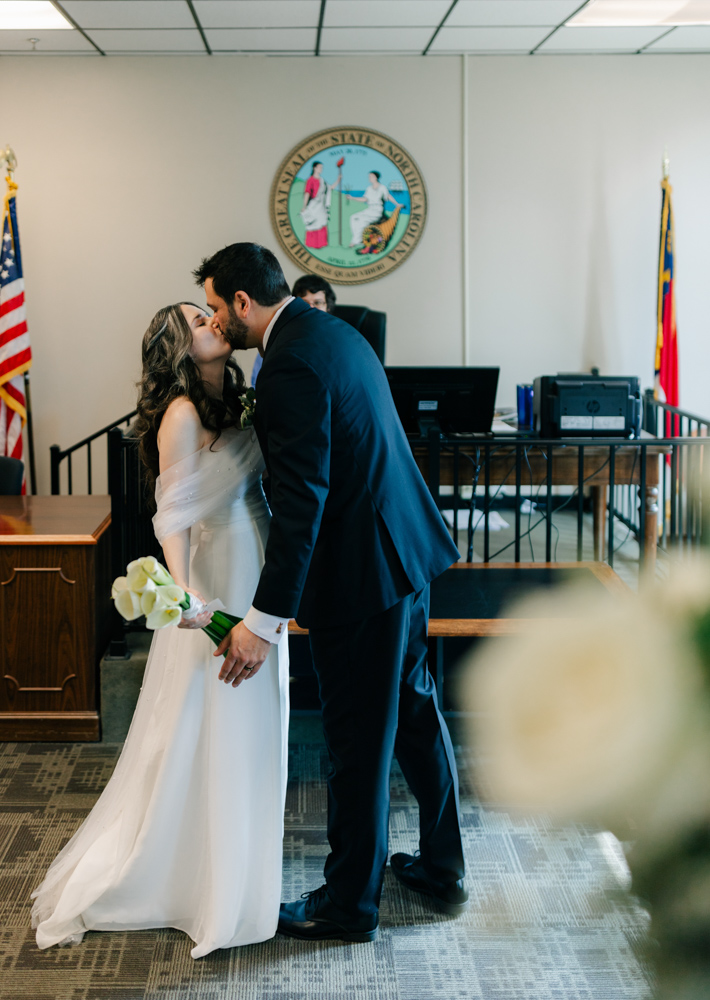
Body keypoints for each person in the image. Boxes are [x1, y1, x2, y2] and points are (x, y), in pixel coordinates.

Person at [194, 243, 467, 944]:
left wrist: (263, 621)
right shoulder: (332, 333)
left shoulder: (288, 365)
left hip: (361, 576)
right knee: (415, 713)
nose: (215, 319)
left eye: (217, 306)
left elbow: (301, 503)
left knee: (356, 742)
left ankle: (348, 905)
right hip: (402, 554)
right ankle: (443, 869)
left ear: (244, 302)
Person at [31, 302, 289, 959]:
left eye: (210, 313)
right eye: (198, 321)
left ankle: (236, 873)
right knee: (213, 723)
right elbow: (171, 516)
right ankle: (195, 883)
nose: (213, 322)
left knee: (252, 723)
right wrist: (190, 600)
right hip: (218, 574)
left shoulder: (235, 401)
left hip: (257, 564)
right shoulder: (180, 413)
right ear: (179, 349)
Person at [251, 273, 335, 386]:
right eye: (304, 303)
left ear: (328, 307)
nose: (311, 308)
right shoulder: (277, 341)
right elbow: (257, 386)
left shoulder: (337, 343)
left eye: (317, 303)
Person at [348, 171, 402, 247]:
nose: (369, 178)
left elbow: (388, 196)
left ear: (375, 177)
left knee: (362, 221)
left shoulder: (382, 187)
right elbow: (365, 199)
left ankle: (356, 241)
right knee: (353, 217)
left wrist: (397, 204)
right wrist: (352, 198)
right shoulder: (369, 188)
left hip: (377, 211)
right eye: (369, 177)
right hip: (370, 209)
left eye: (371, 176)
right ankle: (358, 239)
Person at [300, 161, 341, 249]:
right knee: (312, 224)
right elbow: (307, 193)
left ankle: (321, 244)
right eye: (319, 167)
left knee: (322, 223)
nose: (321, 169)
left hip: (321, 207)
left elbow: (330, 189)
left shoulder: (322, 181)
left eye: (322, 167)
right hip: (313, 206)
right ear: (314, 168)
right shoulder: (310, 180)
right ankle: (312, 243)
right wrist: (304, 206)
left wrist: (338, 180)